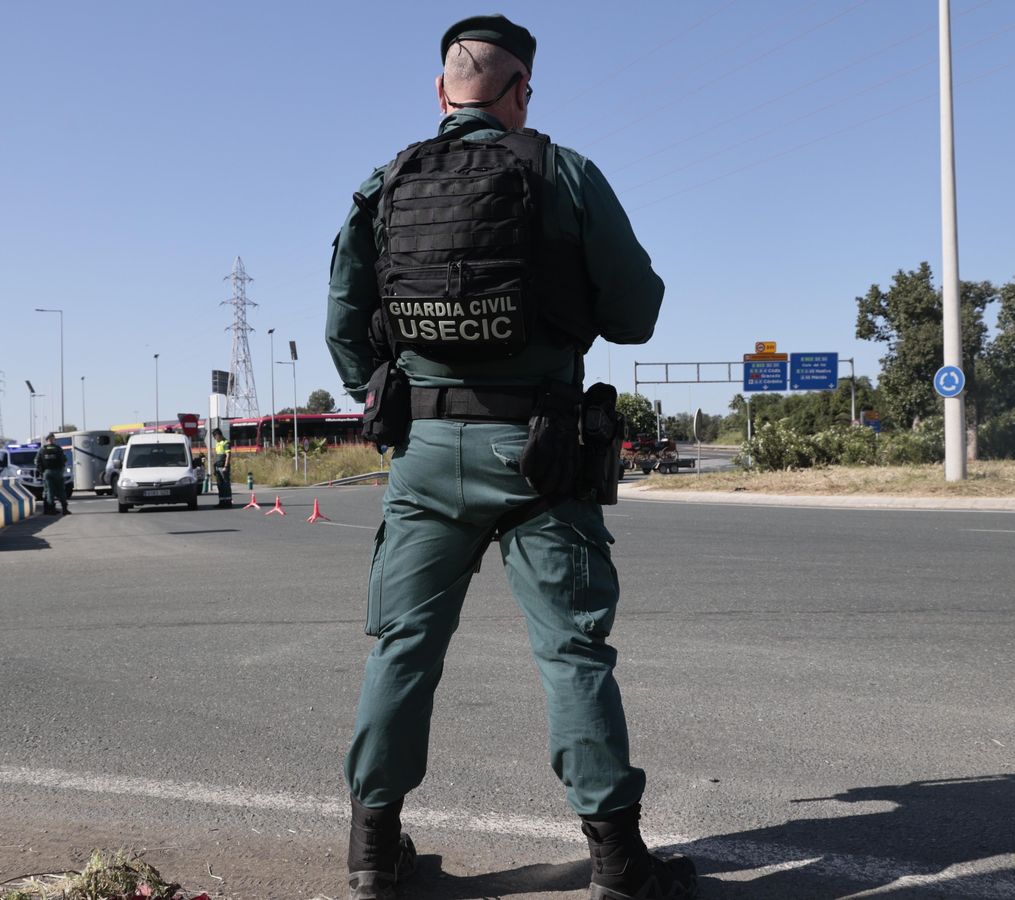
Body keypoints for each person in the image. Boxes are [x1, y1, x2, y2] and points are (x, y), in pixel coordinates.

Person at [325, 14, 691, 900]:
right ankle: (616, 863)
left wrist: (404, 387)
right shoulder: (563, 172)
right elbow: (636, 313)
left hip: (422, 455)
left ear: (443, 93)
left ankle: (373, 856)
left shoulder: (386, 182)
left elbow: (344, 333)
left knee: (402, 648)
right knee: (571, 652)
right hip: (540, 451)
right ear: (521, 90)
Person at [37, 434, 70, 515]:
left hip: (47, 473)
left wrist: (42, 472)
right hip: (58, 472)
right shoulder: (58, 449)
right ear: (53, 440)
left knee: (49, 492)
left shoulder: (42, 450)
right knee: (61, 491)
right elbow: (64, 459)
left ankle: (51, 509)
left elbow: (38, 462)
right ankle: (64, 509)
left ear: (47, 440)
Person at [213, 433, 232, 508]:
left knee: (225, 484)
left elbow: (228, 455)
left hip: (223, 467)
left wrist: (226, 466)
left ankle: (228, 502)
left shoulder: (226, 443)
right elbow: (218, 455)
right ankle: (221, 502)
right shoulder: (218, 443)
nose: (215, 438)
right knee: (220, 485)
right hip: (218, 466)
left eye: (215, 437)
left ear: (218, 435)